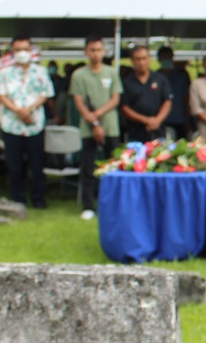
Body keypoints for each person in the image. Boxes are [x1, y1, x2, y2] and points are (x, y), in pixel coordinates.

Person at [0, 36, 54, 208]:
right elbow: (1, 95)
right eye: (18, 49)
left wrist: (30, 109)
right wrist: (18, 110)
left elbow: (46, 93)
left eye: (25, 49)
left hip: (35, 124)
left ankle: (38, 199)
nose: (22, 53)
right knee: (15, 165)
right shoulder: (4, 73)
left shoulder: (40, 71)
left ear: (31, 50)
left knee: (37, 164)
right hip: (12, 125)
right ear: (12, 51)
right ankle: (17, 198)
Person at [70, 35, 122, 220]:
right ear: (86, 51)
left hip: (111, 126)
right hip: (87, 126)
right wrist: (92, 121)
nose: (96, 54)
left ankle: (113, 203)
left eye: (99, 50)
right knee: (88, 166)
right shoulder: (79, 75)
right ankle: (88, 205)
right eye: (92, 50)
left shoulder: (111, 72)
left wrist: (98, 114)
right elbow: (79, 101)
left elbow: (115, 99)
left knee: (113, 165)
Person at [121, 45, 173, 143]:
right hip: (135, 135)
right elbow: (124, 108)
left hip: (158, 133)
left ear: (149, 59)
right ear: (132, 61)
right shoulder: (127, 82)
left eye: (144, 58)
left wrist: (157, 120)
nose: (141, 62)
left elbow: (167, 102)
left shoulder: (160, 79)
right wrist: (146, 120)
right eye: (138, 59)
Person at [157, 46, 191, 138]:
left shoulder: (181, 76)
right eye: (164, 58)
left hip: (179, 119)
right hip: (160, 120)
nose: (166, 60)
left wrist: (187, 120)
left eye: (168, 57)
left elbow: (186, 98)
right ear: (159, 59)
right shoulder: (155, 77)